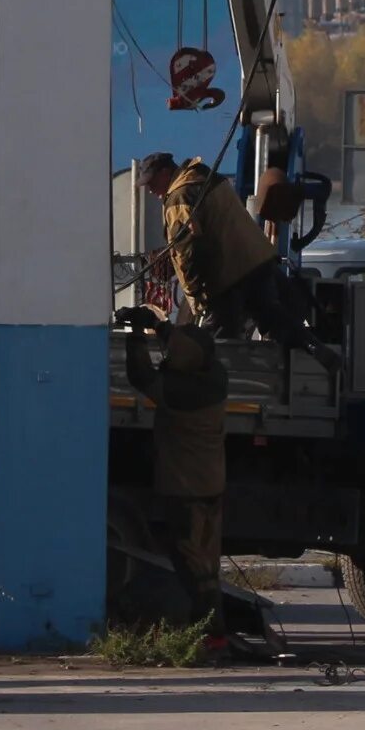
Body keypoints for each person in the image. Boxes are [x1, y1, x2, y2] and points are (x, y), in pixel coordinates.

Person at [119, 307, 231, 631]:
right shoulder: (215, 375)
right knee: (208, 563)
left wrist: (137, 335)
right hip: (211, 482)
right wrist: (157, 325)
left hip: (186, 488)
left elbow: (140, 376)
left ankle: (207, 629)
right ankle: (215, 632)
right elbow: (187, 348)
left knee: (190, 562)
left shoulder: (181, 393)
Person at [139, 152, 273, 336]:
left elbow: (188, 249)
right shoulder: (204, 178)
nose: (150, 190)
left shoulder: (180, 197)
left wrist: (195, 293)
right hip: (256, 262)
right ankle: (312, 354)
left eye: (151, 182)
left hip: (228, 277)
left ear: (164, 173)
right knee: (277, 325)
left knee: (214, 342)